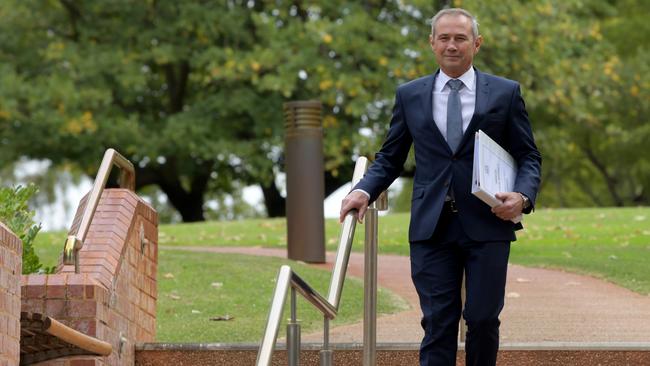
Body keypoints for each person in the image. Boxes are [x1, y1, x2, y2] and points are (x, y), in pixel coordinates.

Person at [339, 7, 542, 366]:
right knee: (437, 323)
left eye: (460, 38)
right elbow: (390, 157)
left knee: (481, 320)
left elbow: (528, 155)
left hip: (488, 222)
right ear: (432, 43)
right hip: (431, 227)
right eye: (444, 38)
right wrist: (363, 191)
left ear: (476, 44)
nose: (452, 45)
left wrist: (523, 197)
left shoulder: (506, 93)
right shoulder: (409, 94)